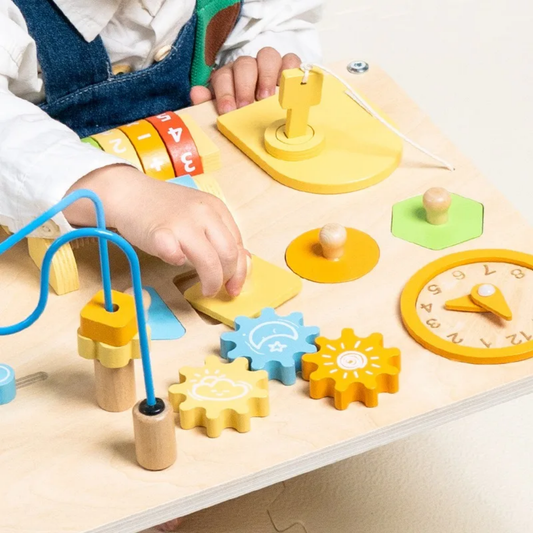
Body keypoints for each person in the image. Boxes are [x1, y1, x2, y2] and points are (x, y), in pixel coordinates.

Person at [0, 0, 323, 297]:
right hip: (61, 246)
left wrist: (251, 63)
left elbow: (280, 19)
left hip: (214, 182)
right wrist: (120, 192)